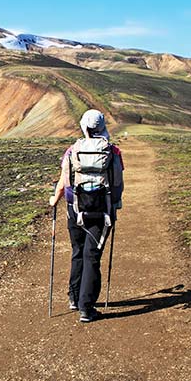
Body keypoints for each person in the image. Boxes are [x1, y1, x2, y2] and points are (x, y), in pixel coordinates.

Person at [49, 110, 124, 322]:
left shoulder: (72, 151)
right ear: (103, 128)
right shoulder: (113, 152)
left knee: (78, 251)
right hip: (102, 212)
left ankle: (74, 298)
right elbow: (118, 184)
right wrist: (115, 205)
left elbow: (65, 181)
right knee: (92, 256)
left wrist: (55, 200)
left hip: (76, 209)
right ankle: (86, 307)